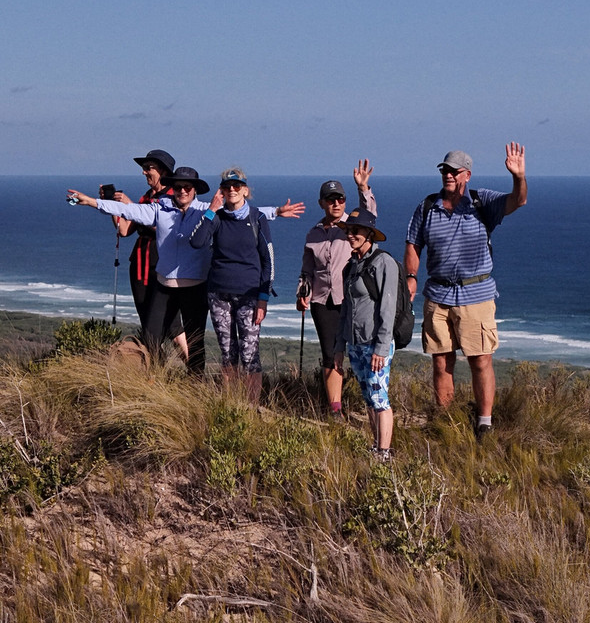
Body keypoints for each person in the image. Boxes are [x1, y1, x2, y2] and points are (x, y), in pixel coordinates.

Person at [67, 169, 304, 374]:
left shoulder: (206, 210)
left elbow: (238, 211)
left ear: (194, 190)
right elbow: (128, 210)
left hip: (195, 287)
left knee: (195, 340)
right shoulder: (159, 209)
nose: (182, 191)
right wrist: (92, 202)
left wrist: (276, 212)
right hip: (164, 286)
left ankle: (195, 384)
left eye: (187, 187)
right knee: (151, 337)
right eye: (178, 187)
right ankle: (151, 380)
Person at [403, 143, 527, 440]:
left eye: (454, 171)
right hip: (438, 295)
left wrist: (518, 177)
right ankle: (445, 422)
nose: (448, 175)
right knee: (441, 361)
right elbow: (413, 243)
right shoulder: (427, 206)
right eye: (444, 170)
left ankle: (484, 423)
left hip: (476, 294)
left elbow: (517, 201)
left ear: (467, 175)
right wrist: (411, 276)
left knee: (480, 359)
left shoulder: (481, 202)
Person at [297, 160, 377, 418]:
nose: (336, 203)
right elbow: (307, 269)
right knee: (330, 354)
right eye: (331, 200)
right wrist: (303, 292)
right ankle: (335, 409)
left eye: (340, 199)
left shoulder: (352, 225)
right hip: (322, 301)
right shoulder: (313, 234)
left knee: (361, 351)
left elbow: (370, 215)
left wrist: (363, 188)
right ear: (321, 203)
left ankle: (372, 402)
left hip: (352, 299)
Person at [189, 168, 273, 404]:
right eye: (227, 187)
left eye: (237, 186)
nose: (232, 190)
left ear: (245, 190)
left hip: (249, 295)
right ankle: (231, 404)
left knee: (249, 354)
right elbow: (197, 242)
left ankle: (251, 406)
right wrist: (211, 209)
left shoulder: (257, 218)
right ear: (222, 191)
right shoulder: (216, 217)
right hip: (219, 295)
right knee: (227, 353)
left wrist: (263, 298)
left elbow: (268, 260)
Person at [112, 149, 189, 359]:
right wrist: (115, 207)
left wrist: (131, 207)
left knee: (172, 322)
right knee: (147, 318)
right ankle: (156, 364)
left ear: (162, 171)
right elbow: (124, 230)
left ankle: (193, 367)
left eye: (148, 168)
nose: (144, 172)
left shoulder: (173, 196)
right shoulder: (146, 197)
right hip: (140, 263)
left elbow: (164, 227)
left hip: (163, 263)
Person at [334, 208, 398, 460]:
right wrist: (339, 346)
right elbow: (345, 309)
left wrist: (381, 348)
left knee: (380, 398)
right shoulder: (351, 266)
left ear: (369, 234)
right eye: (348, 230)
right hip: (355, 342)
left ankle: (384, 453)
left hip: (375, 343)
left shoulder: (384, 263)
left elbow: (388, 309)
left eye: (356, 230)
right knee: (369, 397)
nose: (351, 234)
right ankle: (376, 446)